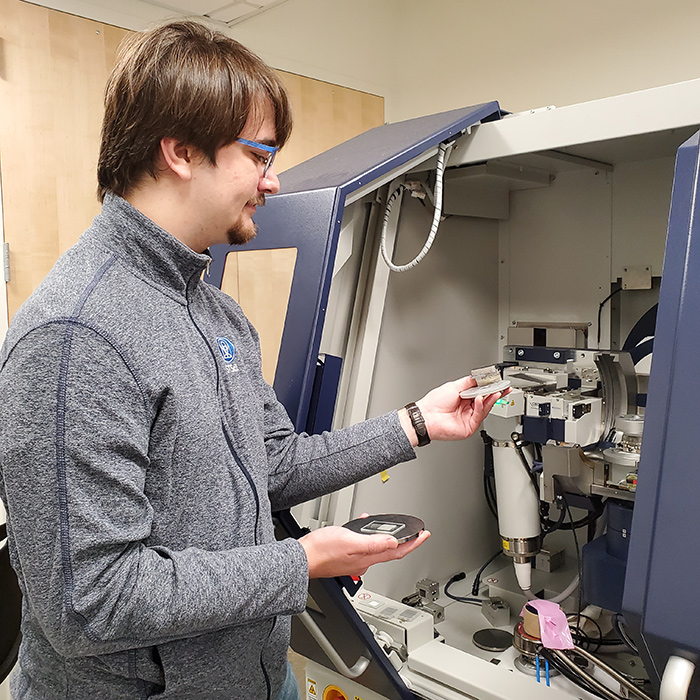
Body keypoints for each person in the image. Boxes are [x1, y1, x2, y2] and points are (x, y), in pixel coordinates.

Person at [0, 20, 505, 700]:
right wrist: (299, 561)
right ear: (179, 150)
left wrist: (417, 423)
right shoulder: (75, 334)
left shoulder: (216, 313)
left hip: (256, 678)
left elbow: (273, 463)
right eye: (259, 156)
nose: (271, 182)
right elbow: (91, 600)